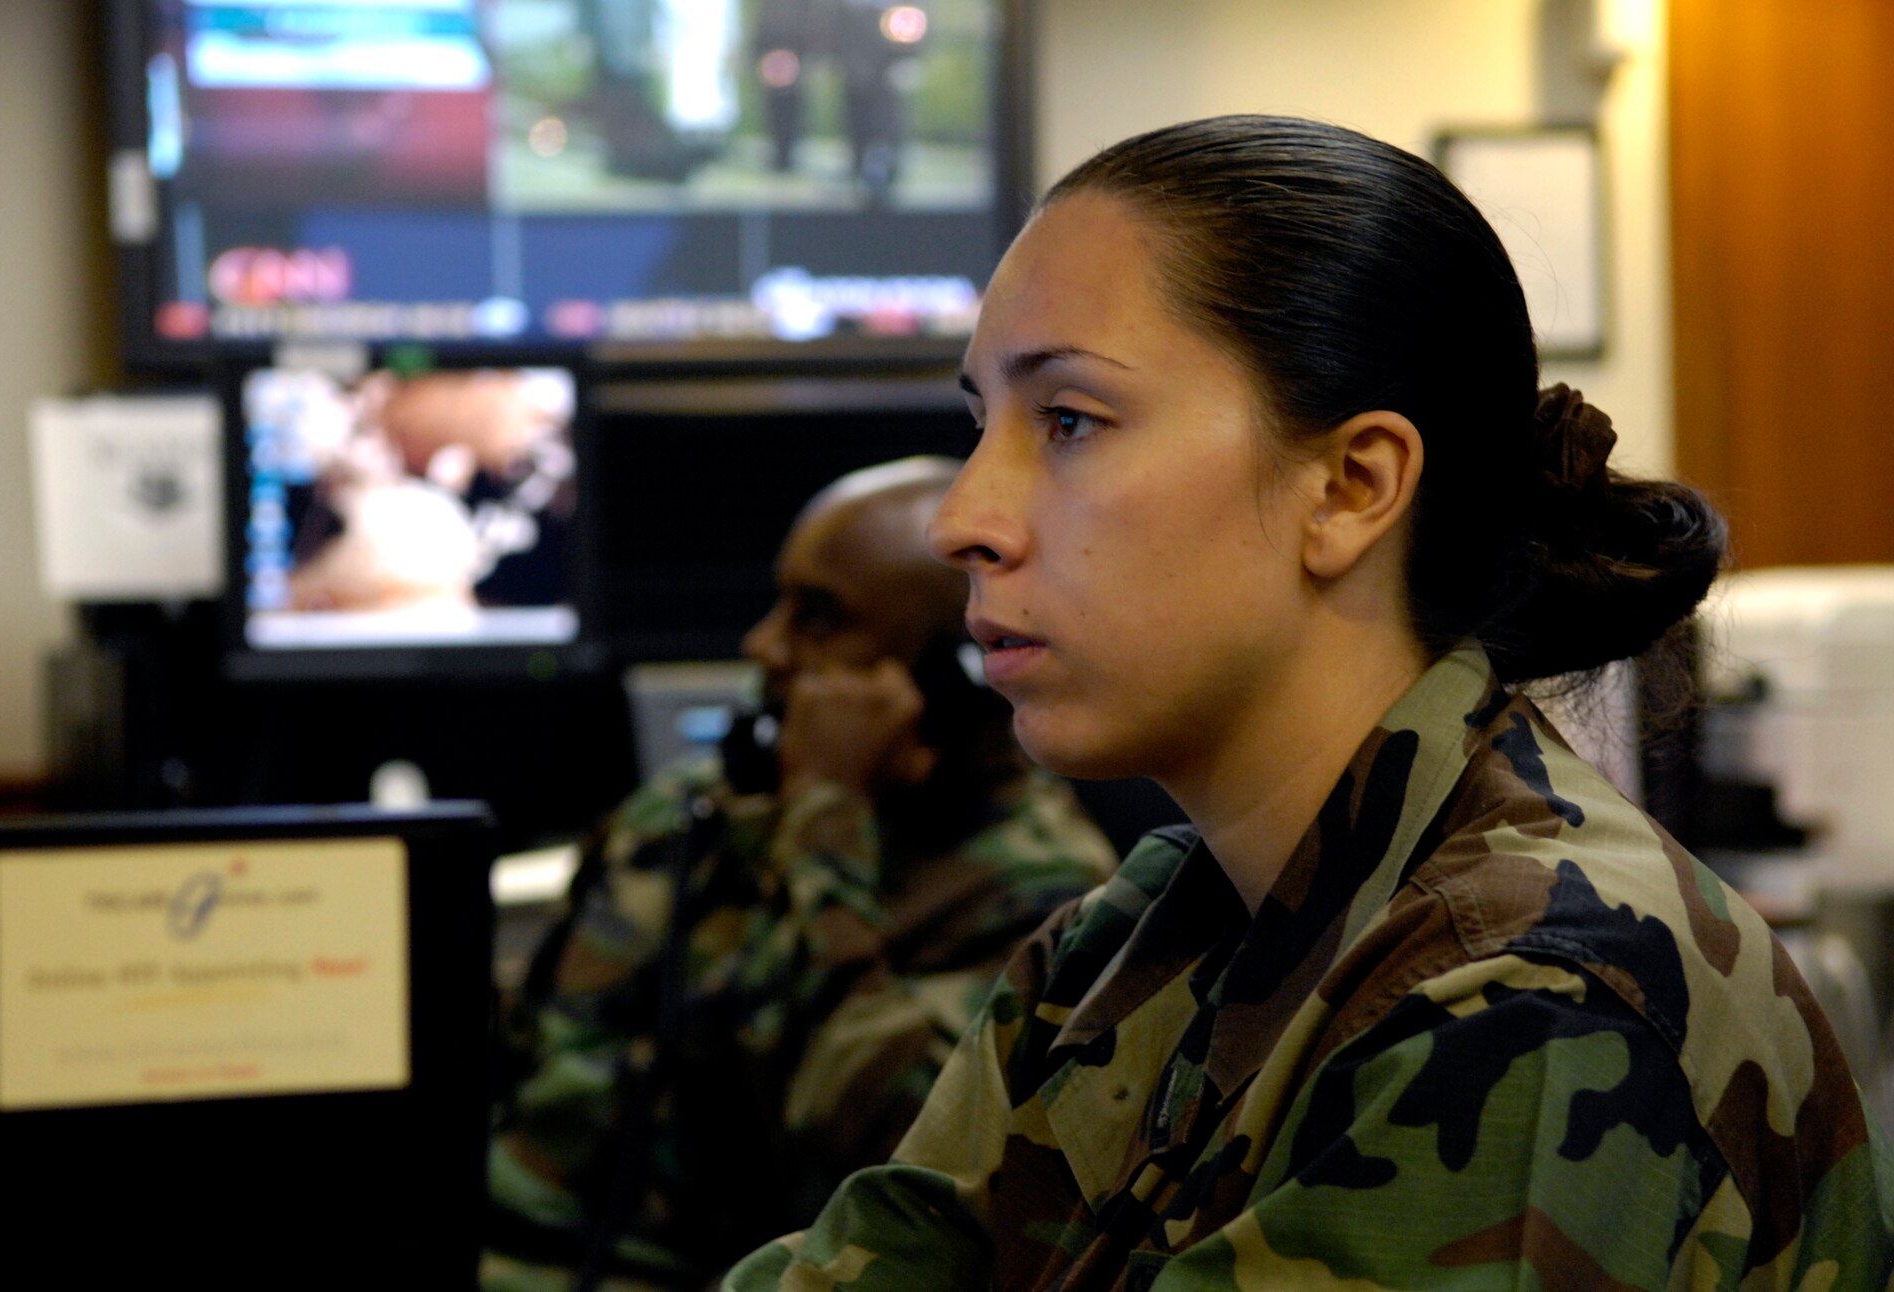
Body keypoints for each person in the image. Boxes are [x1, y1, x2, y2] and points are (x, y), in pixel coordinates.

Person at [724, 116, 1894, 1290]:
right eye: (982, 424)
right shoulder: (1137, 936)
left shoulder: (1529, 994)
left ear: (1348, 486)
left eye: (1068, 420)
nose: (961, 519)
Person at [484, 456, 1118, 1291]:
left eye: (818, 619)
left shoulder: (1040, 899)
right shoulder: (698, 807)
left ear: (947, 675)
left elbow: (877, 1163)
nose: (763, 645)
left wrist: (827, 820)